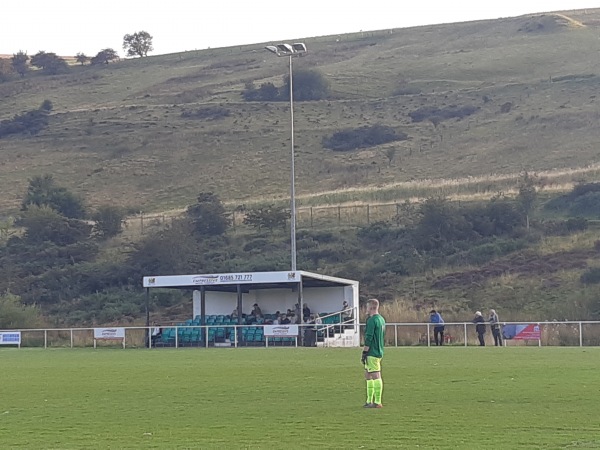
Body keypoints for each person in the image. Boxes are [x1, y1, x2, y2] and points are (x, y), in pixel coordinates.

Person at [362, 298, 386, 408]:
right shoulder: (381, 319)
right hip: (379, 350)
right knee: (368, 374)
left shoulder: (372, 320)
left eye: (367, 307)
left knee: (376, 374)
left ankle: (377, 401)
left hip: (373, 351)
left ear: (371, 307)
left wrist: (365, 351)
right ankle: (368, 400)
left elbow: (369, 337)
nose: (366, 309)